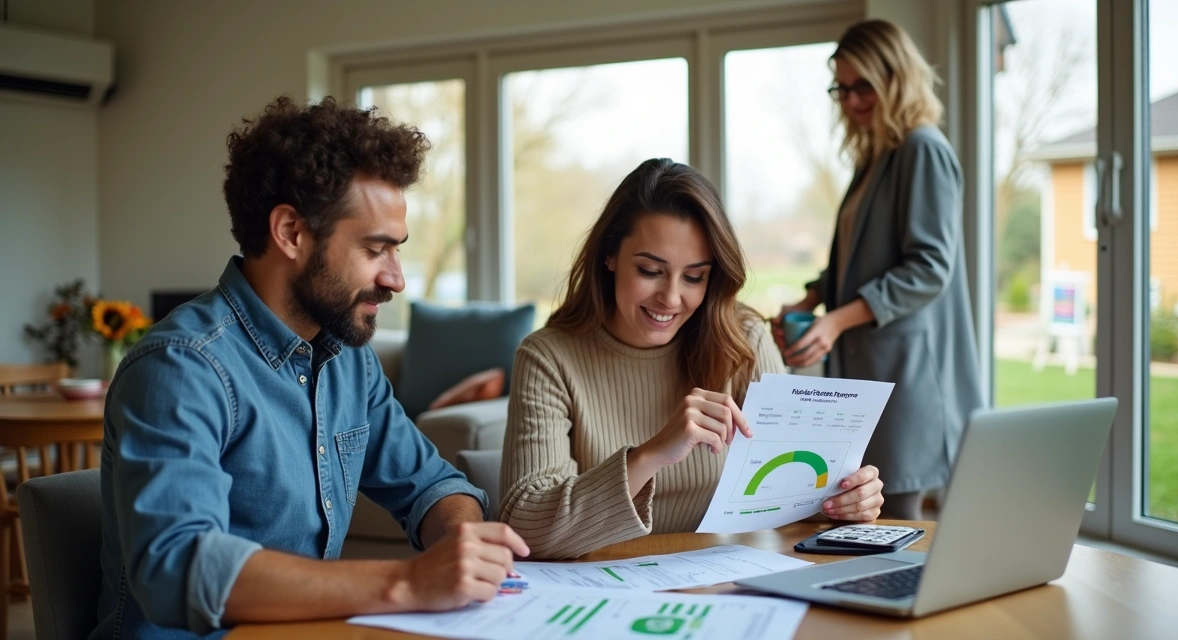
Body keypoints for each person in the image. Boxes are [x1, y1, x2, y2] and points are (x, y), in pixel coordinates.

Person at [92, 96, 529, 639]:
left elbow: (432, 486)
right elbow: (177, 569)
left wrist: (462, 544)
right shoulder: (181, 368)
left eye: (398, 251)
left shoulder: (349, 361)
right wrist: (406, 582)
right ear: (291, 232)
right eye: (376, 249)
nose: (396, 279)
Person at [498, 158, 885, 560]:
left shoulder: (743, 342)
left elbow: (792, 507)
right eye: (650, 270)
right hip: (599, 590)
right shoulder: (548, 357)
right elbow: (526, 529)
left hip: (727, 587)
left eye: (694, 277)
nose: (670, 298)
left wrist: (844, 504)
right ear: (609, 255)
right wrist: (649, 455)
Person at [773, 19, 983, 520]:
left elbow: (930, 267)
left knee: (898, 520)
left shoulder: (922, 149)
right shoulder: (876, 156)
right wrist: (810, 301)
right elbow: (857, 259)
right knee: (868, 511)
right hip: (874, 369)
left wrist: (836, 320)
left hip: (908, 373)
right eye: (841, 89)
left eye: (863, 86)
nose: (850, 101)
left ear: (897, 78)